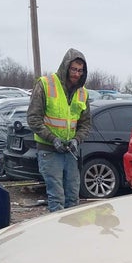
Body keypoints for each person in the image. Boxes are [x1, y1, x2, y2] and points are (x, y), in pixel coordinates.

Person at [27, 48, 92, 212]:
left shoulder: (83, 93)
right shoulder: (45, 84)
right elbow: (33, 118)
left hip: (70, 152)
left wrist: (77, 140)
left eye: (80, 71)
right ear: (66, 67)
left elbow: (85, 123)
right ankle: (56, 227)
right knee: (57, 197)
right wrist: (52, 139)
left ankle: (72, 228)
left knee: (72, 197)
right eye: (73, 69)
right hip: (49, 151)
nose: (76, 74)